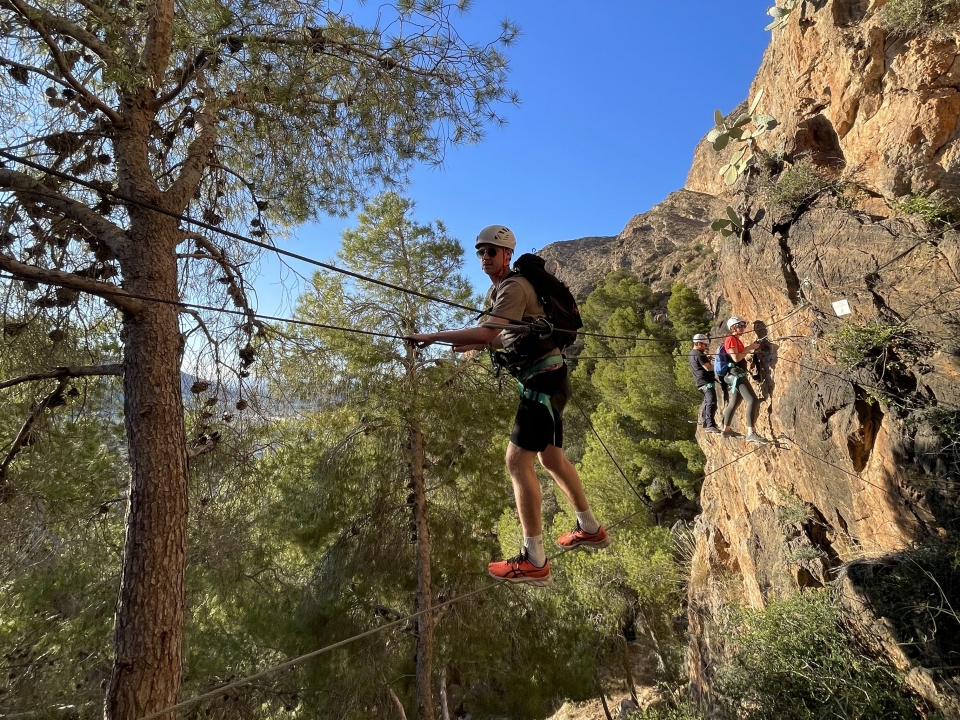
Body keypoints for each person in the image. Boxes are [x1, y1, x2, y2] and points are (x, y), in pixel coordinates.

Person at [405, 225, 609, 587]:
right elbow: (506, 336)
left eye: (492, 251)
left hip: (542, 381)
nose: (485, 257)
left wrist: (433, 336)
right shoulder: (505, 290)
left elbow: (489, 332)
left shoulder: (513, 286)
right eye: (481, 252)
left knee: (516, 461)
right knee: (551, 459)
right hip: (550, 378)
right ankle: (590, 528)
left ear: (507, 255)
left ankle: (534, 560)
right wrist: (474, 345)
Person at [721, 316, 767, 444]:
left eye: (744, 325)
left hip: (735, 374)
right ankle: (751, 433)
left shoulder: (736, 340)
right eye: (740, 325)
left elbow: (739, 355)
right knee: (752, 400)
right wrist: (750, 348)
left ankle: (726, 430)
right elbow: (736, 358)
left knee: (735, 402)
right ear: (733, 327)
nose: (743, 328)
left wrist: (750, 347)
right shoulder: (730, 339)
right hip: (736, 374)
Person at [689, 333, 720, 433]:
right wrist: (720, 365)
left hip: (700, 382)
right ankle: (710, 425)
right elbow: (708, 368)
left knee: (707, 402)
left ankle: (706, 422)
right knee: (711, 401)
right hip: (706, 382)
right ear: (699, 343)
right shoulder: (699, 354)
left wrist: (707, 358)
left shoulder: (692, 353)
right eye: (704, 345)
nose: (705, 347)